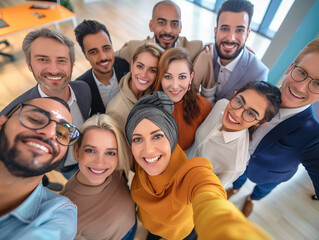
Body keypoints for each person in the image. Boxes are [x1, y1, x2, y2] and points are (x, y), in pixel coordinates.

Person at [125, 91, 271, 240]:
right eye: (137, 139)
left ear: (171, 136)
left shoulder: (203, 172)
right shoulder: (221, 107)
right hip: (149, 219)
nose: (148, 150)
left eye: (157, 136)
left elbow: (209, 194)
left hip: (180, 220)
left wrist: (224, 226)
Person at [226, 38, 319, 217]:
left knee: (263, 189)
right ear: (290, 68)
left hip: (271, 174)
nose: (300, 87)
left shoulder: (313, 135)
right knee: (239, 177)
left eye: (317, 83)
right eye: (301, 72)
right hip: (241, 160)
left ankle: (252, 199)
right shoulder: (259, 92)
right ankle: (235, 189)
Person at [0, 28, 91, 182]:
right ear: (30, 65)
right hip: (66, 168)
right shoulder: (12, 114)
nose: (54, 70)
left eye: (61, 60)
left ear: (71, 65)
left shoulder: (83, 89)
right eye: (43, 59)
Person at [0, 97, 79, 239]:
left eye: (62, 133)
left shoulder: (59, 214)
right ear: (1, 124)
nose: (49, 134)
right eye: (35, 119)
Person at [186, 81, 281, 188]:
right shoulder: (221, 105)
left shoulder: (235, 165)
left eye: (250, 113)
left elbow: (209, 192)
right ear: (235, 94)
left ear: (260, 123)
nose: (236, 113)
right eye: (239, 101)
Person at [60, 114, 136, 240]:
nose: (100, 163)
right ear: (77, 151)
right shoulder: (66, 209)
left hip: (132, 228)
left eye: (110, 153)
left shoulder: (115, 171)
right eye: (90, 150)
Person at [193, 0, 268, 104]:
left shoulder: (259, 74)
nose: (230, 38)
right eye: (224, 29)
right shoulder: (206, 52)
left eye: (239, 30)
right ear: (216, 31)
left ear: (247, 34)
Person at [154, 47, 212, 150]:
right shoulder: (148, 108)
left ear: (191, 77)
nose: (175, 86)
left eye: (182, 77)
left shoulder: (204, 106)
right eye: (168, 77)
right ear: (160, 77)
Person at [115, 0, 203, 63]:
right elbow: (108, 59)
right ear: (151, 25)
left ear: (180, 27)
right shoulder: (134, 48)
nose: (168, 30)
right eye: (161, 23)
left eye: (174, 24)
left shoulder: (195, 49)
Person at [74, 20, 130, 116]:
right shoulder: (80, 89)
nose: (103, 57)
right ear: (85, 55)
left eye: (106, 48)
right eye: (93, 52)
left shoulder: (126, 66)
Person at [106, 42, 163, 130]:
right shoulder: (116, 112)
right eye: (140, 66)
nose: (144, 75)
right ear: (132, 66)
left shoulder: (151, 93)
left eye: (152, 70)